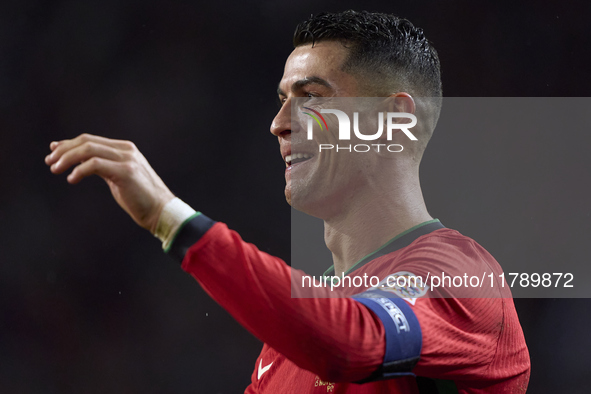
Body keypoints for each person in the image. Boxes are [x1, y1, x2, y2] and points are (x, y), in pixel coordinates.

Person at [45, 10, 530, 394]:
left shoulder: (461, 275)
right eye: (281, 98)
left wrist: (172, 219)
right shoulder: (292, 339)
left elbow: (357, 339)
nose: (278, 123)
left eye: (311, 97)